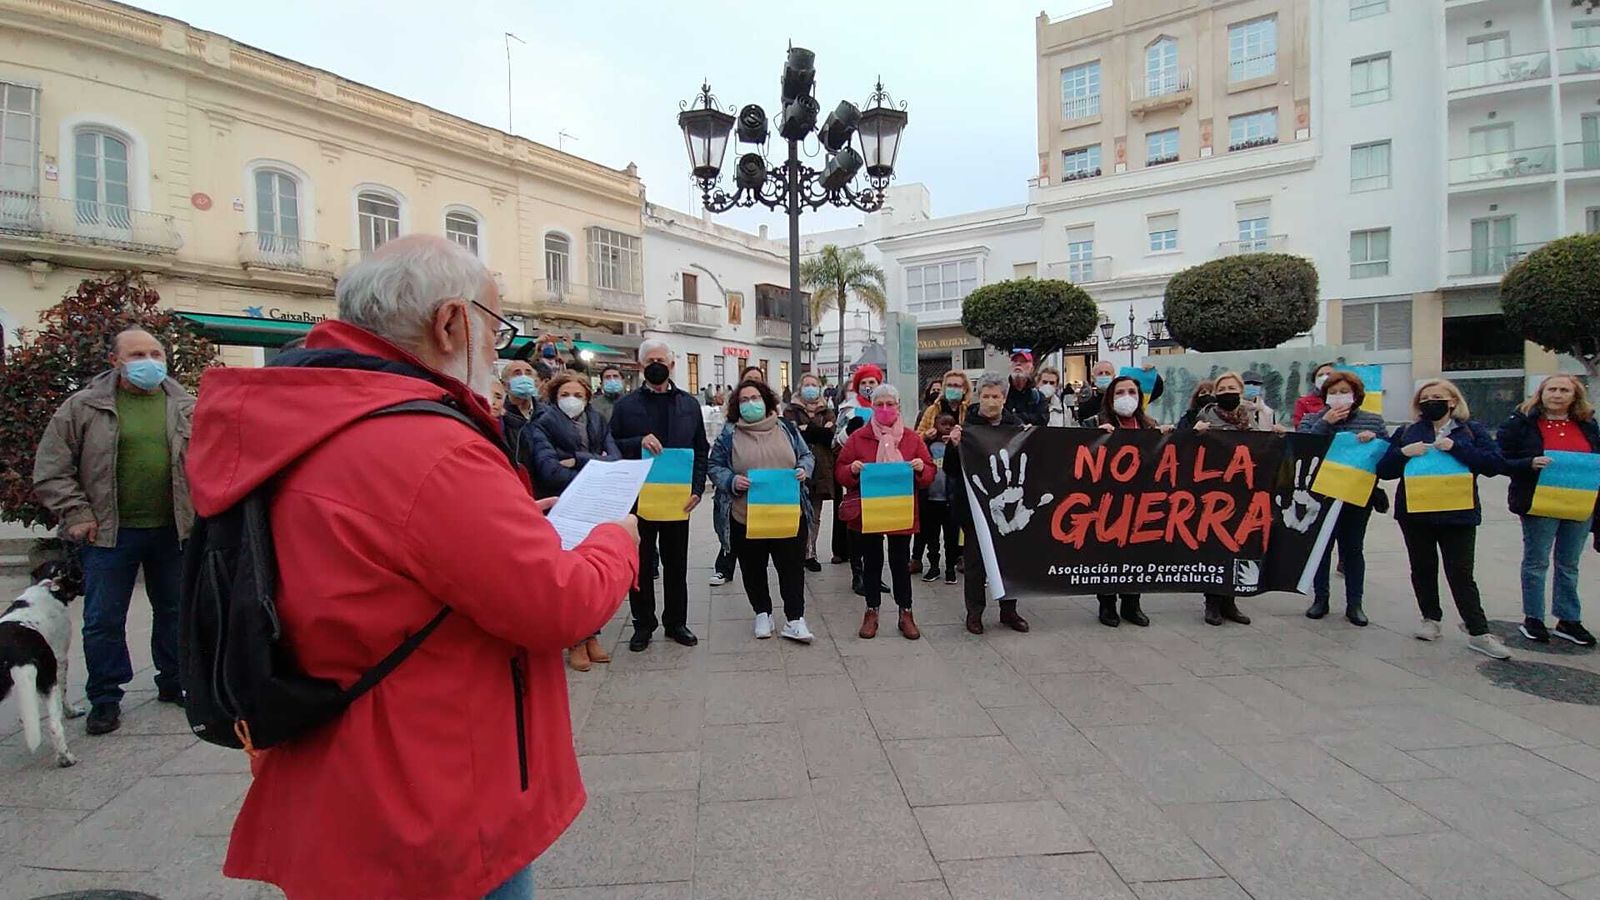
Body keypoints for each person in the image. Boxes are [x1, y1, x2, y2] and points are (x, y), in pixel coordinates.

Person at [184, 235, 640, 899]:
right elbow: (558, 604)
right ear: (450, 322)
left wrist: (508, 522)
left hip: (338, 765)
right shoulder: (425, 443)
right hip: (434, 786)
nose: (498, 350)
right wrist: (614, 540)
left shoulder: (311, 409)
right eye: (495, 326)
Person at [33, 327, 194, 736]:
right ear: (115, 361)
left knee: (176, 611)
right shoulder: (84, 406)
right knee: (103, 618)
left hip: (173, 529)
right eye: (138, 355)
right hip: (107, 533)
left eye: (156, 353)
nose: (149, 362)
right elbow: (52, 468)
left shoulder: (185, 405)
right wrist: (76, 512)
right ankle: (105, 697)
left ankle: (175, 680)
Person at [1377, 379, 1511, 659]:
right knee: (1422, 568)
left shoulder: (1471, 430)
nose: (1431, 402)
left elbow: (1494, 464)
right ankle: (1430, 619)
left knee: (1461, 573)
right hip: (1416, 512)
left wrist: (1457, 448)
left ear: (1452, 401)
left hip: (1458, 513)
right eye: (1425, 398)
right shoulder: (1407, 431)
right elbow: (1384, 470)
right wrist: (1403, 453)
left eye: (1437, 396)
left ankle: (1478, 631)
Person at [610, 339, 710, 652]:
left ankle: (676, 622)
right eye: (650, 360)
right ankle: (643, 624)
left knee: (676, 564)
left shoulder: (688, 404)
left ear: (672, 365)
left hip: (677, 500)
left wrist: (697, 489)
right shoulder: (625, 406)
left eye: (662, 361)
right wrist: (638, 441)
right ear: (641, 366)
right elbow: (610, 446)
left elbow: (701, 449)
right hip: (638, 500)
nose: (656, 365)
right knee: (640, 565)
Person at [530, 373, 625, 672]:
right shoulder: (543, 424)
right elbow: (549, 470)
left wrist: (577, 459)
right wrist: (594, 463)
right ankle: (575, 640)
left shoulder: (597, 420)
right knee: (569, 574)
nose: (572, 400)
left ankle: (592, 634)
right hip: (562, 505)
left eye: (578, 395)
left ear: (587, 397)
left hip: (593, 503)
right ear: (555, 397)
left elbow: (615, 459)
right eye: (565, 394)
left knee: (590, 570)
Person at [710, 379, 815, 643]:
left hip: (788, 513)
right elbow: (715, 466)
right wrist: (731, 481)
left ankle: (795, 619)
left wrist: (803, 470)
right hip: (746, 515)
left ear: (766, 401)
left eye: (755, 398)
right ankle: (762, 613)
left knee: (791, 568)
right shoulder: (729, 434)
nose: (750, 404)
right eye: (744, 400)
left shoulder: (786, 428)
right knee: (752, 567)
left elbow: (807, 456)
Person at [1498, 374, 1599, 647]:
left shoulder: (1588, 425)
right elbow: (1499, 459)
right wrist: (1528, 463)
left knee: (1569, 563)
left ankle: (1568, 619)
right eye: (1551, 389)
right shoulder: (1522, 423)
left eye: (1564, 390)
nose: (1557, 394)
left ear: (1575, 396)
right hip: (1540, 502)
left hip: (1579, 502)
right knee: (1536, 562)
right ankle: (1533, 618)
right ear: (1541, 393)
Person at [836, 384, 935, 640]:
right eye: (879, 404)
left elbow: (929, 473)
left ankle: (906, 612)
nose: (884, 409)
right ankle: (872, 611)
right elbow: (840, 471)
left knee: (900, 563)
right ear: (872, 407)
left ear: (898, 407)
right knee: (872, 562)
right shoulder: (859, 437)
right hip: (868, 512)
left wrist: (921, 468)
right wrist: (852, 470)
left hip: (900, 511)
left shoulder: (911, 438)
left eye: (890, 404)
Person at [1188, 371, 1281, 626]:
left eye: (1232, 388)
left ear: (1240, 390)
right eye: (1223, 388)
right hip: (1214, 489)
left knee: (1238, 544)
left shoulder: (1253, 415)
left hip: (1245, 490)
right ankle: (1212, 602)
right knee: (1214, 545)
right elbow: (1188, 446)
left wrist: (1277, 435)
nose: (1228, 392)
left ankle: (1230, 601)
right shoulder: (1205, 415)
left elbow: (1265, 447)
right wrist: (1195, 433)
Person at [1297, 371, 1387, 626]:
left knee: (1353, 548)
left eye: (1344, 392)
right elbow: (1303, 448)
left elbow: (1386, 456)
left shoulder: (1372, 420)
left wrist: (1374, 440)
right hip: (1321, 494)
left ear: (1356, 395)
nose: (1339, 396)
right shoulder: (1312, 418)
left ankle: (1355, 604)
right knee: (1321, 547)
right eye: (1333, 392)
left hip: (1356, 495)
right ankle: (1320, 599)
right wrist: (1324, 422)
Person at [948, 372, 1031, 634]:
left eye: (996, 396)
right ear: (978, 397)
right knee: (975, 564)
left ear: (1004, 398)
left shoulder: (1016, 425)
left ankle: (1009, 610)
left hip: (1008, 507)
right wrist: (954, 446)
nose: (990, 401)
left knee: (1009, 560)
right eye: (986, 396)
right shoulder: (967, 426)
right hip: (974, 507)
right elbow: (951, 470)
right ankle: (974, 613)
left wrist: (1031, 438)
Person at [1090, 375, 1171, 628]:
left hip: (1141, 501)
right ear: (1110, 398)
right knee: (1107, 553)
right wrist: (1095, 437)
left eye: (1132, 392)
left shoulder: (1149, 425)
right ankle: (1107, 603)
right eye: (1120, 392)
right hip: (1108, 501)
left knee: (1137, 553)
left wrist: (1164, 438)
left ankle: (1131, 603)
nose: (1127, 397)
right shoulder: (1095, 423)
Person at [834, 365, 884, 590]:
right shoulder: (849, 409)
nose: (868, 386)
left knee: (878, 527)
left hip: (880, 473)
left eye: (872, 382)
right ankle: (858, 574)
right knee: (857, 524)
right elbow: (836, 441)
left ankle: (875, 574)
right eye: (863, 383)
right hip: (857, 471)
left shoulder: (884, 406)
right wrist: (849, 431)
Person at [785, 372, 836, 571]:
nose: (810, 388)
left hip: (822, 468)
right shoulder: (791, 410)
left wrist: (809, 429)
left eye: (814, 385)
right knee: (799, 514)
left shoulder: (827, 410)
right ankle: (797, 550)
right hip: (798, 468)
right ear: (800, 388)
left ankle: (810, 552)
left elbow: (830, 436)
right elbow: (794, 436)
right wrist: (819, 430)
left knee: (815, 514)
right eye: (806, 384)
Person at [917, 413, 961, 583]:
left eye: (951, 424)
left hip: (950, 501)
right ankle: (933, 567)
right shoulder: (927, 446)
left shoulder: (957, 446)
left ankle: (950, 569)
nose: (947, 427)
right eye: (943, 424)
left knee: (951, 538)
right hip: (930, 500)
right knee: (932, 538)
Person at [1077, 359, 1166, 426]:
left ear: (1113, 376)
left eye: (1107, 373)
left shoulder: (1147, 422)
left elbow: (1156, 390)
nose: (1126, 396)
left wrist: (1149, 375)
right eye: (1100, 373)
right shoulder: (1086, 408)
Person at [500, 359, 541, 476]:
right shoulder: (500, 416)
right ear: (504, 384)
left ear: (536, 382)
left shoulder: (547, 414)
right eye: (517, 373)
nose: (524, 377)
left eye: (528, 373)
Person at [1004, 350, 1048, 426]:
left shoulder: (1038, 397)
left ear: (1032, 369)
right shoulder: (1002, 393)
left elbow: (1042, 419)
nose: (1018, 364)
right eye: (1015, 361)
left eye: (1023, 361)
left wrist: (1015, 417)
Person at [1293, 362, 1337, 428]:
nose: (1324, 378)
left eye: (1329, 374)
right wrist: (1324, 422)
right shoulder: (1303, 402)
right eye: (1320, 375)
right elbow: (1300, 428)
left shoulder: (1347, 399)